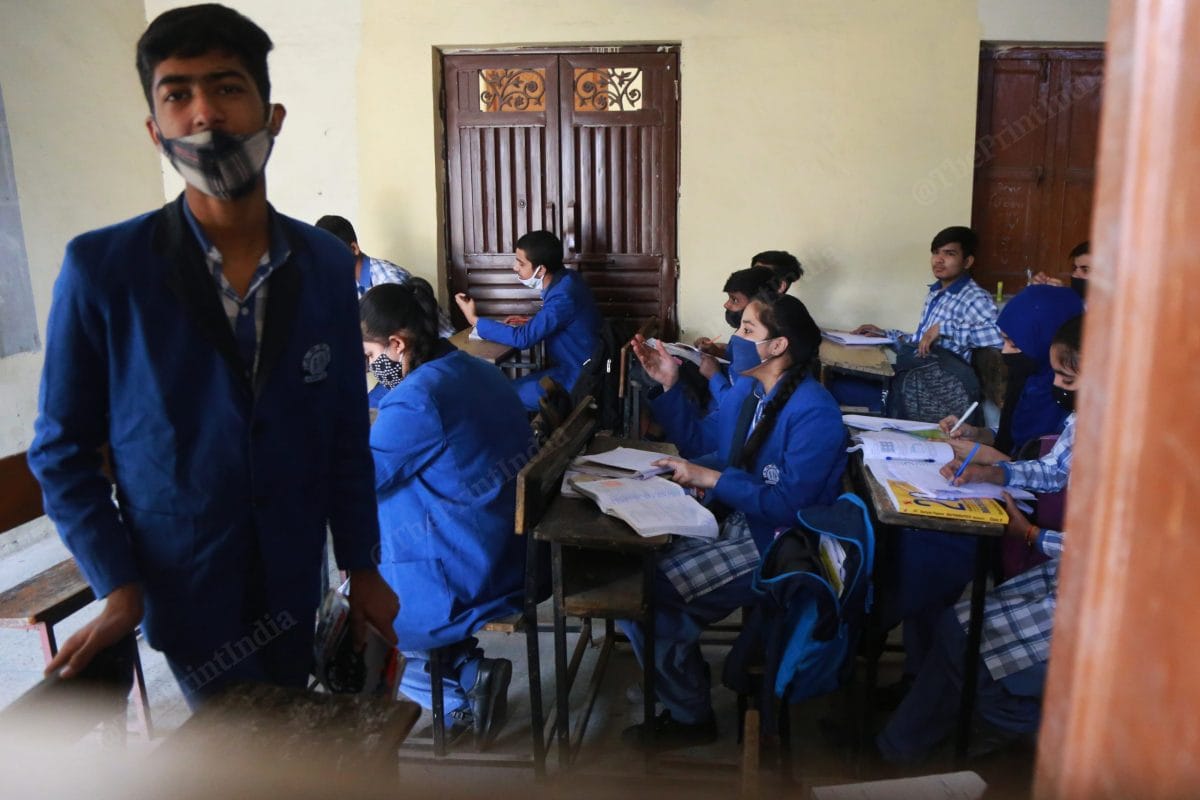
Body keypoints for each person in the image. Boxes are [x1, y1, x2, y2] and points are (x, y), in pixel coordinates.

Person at [26, 4, 397, 703]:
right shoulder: (103, 269)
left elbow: (345, 433)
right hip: (185, 585)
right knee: (240, 744)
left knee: (289, 737)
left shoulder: (320, 263)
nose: (206, 115)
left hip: (298, 575)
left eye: (228, 87)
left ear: (271, 114)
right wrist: (118, 584)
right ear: (154, 130)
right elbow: (61, 452)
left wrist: (363, 564)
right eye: (178, 94)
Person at [619, 293, 847, 749]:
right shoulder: (749, 388)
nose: (732, 341)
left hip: (780, 542)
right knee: (632, 571)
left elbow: (788, 505)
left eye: (746, 331)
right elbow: (707, 442)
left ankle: (689, 714)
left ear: (778, 346)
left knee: (645, 597)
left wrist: (712, 479)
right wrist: (669, 385)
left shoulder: (815, 412)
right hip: (740, 517)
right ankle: (679, 670)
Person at [876, 314, 1084, 764]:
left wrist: (1030, 534)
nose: (1062, 387)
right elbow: (1054, 471)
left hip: (1117, 598)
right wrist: (991, 472)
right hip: (1068, 567)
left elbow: (1128, 555)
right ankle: (898, 746)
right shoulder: (1091, 416)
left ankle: (1044, 725)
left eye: (1071, 377)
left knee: (978, 660)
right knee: (958, 627)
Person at [363, 282, 531, 747]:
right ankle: (471, 670)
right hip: (503, 542)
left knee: (353, 615)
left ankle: (457, 704)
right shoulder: (466, 365)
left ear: (397, 344)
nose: (368, 366)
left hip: (468, 561)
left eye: (369, 353)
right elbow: (392, 396)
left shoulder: (421, 398)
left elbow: (365, 477)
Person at [851, 226, 1003, 422]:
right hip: (920, 381)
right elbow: (921, 343)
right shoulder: (936, 292)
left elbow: (999, 334)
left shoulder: (974, 298)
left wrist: (943, 327)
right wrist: (886, 335)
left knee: (863, 396)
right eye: (935, 253)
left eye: (949, 254)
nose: (938, 260)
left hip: (944, 395)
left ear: (967, 261)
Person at [454, 230, 601, 411]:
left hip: (578, 378)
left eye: (521, 263)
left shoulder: (563, 296)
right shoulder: (568, 278)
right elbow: (560, 319)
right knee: (506, 389)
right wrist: (535, 322)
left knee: (502, 395)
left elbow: (523, 339)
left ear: (541, 270)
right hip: (573, 367)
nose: (515, 267)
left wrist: (474, 319)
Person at [315, 213, 454, 337]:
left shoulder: (389, 281)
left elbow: (409, 342)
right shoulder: (343, 284)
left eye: (330, 255)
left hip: (439, 353)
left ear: (354, 249)